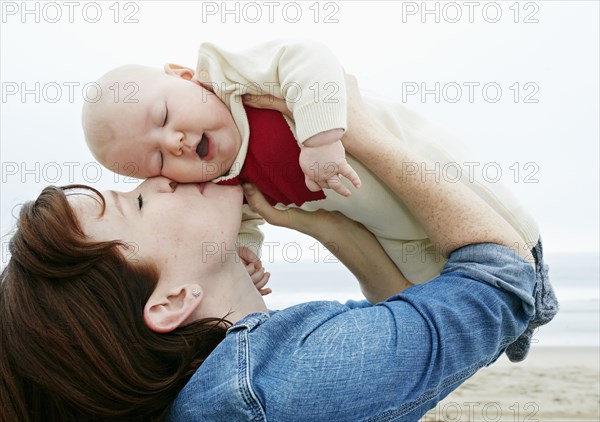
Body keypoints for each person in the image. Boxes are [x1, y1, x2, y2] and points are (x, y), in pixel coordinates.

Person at [2, 75, 547, 421]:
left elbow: (408, 314)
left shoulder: (242, 378)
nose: (160, 177)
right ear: (169, 302)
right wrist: (355, 131)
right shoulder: (272, 391)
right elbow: (502, 282)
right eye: (135, 205)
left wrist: (325, 225)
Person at [81, 41, 542, 293]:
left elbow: (309, 59)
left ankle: (534, 268)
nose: (175, 142)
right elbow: (242, 222)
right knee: (434, 278)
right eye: (159, 159)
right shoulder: (227, 182)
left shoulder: (231, 79)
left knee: (490, 211)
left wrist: (321, 138)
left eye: (163, 118)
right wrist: (242, 255)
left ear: (184, 76)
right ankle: (510, 319)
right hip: (389, 229)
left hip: (416, 159)